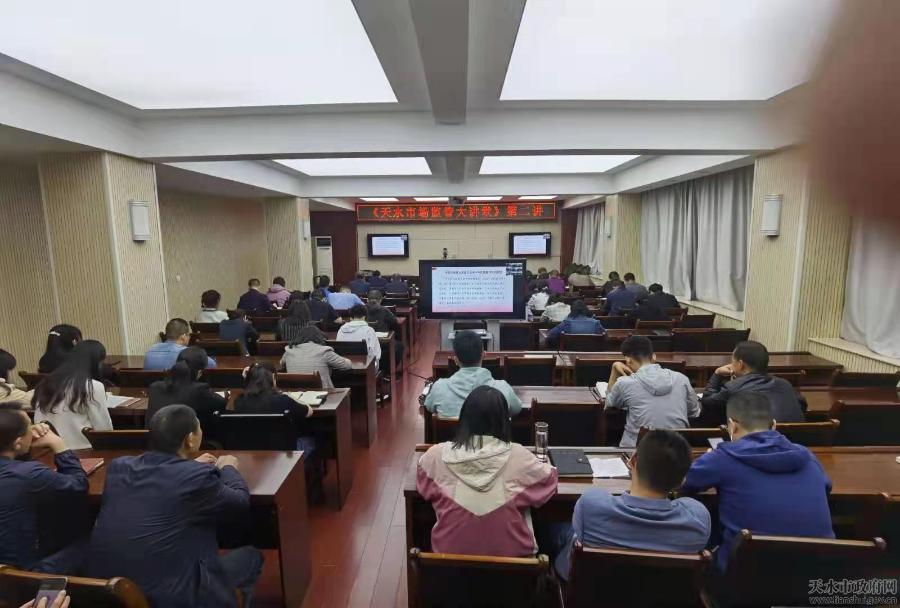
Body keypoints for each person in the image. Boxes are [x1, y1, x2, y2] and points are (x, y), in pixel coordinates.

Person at [87, 404, 264, 608]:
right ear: (190, 439)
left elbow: (162, 478)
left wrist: (189, 465)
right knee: (251, 556)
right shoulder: (197, 477)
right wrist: (228, 468)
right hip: (170, 597)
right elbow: (240, 502)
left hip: (110, 594)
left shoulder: (119, 467)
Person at [680, 392, 834, 571]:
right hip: (819, 572)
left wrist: (707, 461)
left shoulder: (722, 457)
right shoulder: (807, 456)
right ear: (774, 425)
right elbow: (826, 488)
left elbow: (680, 483)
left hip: (748, 575)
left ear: (731, 425)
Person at [417, 386, 558, 557]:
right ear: (504, 421)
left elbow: (421, 474)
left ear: (464, 418)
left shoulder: (436, 456)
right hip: (515, 568)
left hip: (448, 567)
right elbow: (550, 480)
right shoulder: (519, 456)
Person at [553, 430, 710, 581]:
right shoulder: (698, 520)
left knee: (558, 529)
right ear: (682, 481)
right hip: (662, 596)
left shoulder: (591, 505)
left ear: (633, 460)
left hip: (591, 593)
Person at [0, 403, 89, 573]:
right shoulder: (28, 474)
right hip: (20, 575)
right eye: (29, 426)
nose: (34, 428)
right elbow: (78, 486)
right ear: (17, 443)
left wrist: (24, 443)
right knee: (94, 539)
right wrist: (59, 445)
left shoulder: (23, 472)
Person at [604, 336, 701, 448]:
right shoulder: (681, 379)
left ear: (628, 360)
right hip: (677, 449)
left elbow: (609, 405)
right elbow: (694, 412)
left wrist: (614, 369)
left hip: (636, 451)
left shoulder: (624, 383)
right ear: (654, 357)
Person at [701, 341, 806, 425]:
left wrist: (717, 373)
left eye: (733, 362)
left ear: (740, 364)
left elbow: (707, 402)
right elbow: (802, 405)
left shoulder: (733, 387)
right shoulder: (785, 383)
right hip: (793, 441)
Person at [32, 340, 112, 450]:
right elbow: (103, 429)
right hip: (85, 449)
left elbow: (38, 421)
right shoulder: (93, 386)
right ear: (96, 363)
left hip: (48, 449)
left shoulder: (46, 382)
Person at [424, 331, 522, 419]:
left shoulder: (439, 387)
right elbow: (516, 409)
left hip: (453, 435)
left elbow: (429, 406)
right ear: (484, 355)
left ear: (456, 360)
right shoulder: (503, 389)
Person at [145, 347, 226, 437]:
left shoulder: (155, 387)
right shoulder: (198, 390)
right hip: (181, 443)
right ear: (199, 373)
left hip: (153, 442)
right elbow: (222, 403)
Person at [234, 362, 314, 452]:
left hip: (252, 452)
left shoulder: (238, 401)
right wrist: (288, 395)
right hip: (284, 453)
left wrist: (247, 380)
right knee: (312, 440)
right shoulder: (282, 400)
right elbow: (309, 411)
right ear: (273, 377)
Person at [281, 327, 352, 389]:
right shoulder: (324, 351)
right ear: (319, 337)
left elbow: (281, 363)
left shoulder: (289, 351)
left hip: (295, 395)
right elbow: (347, 365)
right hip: (323, 394)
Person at [144, 318, 217, 371]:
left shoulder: (150, 350)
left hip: (153, 388)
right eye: (188, 335)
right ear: (183, 337)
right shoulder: (188, 353)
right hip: (179, 388)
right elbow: (212, 365)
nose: (189, 337)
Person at [367, 290, 404, 373]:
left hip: (366, 343)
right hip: (382, 342)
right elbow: (394, 322)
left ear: (367, 300)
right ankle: (388, 372)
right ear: (380, 300)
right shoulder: (384, 309)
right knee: (399, 346)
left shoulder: (362, 309)